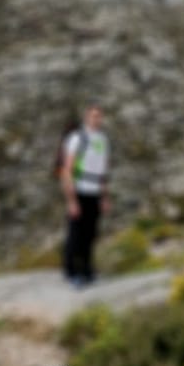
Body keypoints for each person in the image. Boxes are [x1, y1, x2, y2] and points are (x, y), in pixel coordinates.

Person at [60, 104, 111, 286]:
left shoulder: (102, 139)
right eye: (93, 116)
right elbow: (67, 170)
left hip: (95, 190)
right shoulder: (77, 138)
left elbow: (102, 170)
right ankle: (72, 271)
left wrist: (104, 197)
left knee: (91, 232)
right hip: (79, 189)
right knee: (76, 233)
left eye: (99, 116)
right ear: (86, 117)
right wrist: (71, 200)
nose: (96, 119)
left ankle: (88, 269)